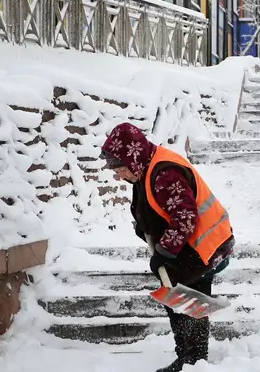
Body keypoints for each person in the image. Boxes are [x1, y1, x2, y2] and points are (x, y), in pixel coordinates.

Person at [99, 122, 235, 372]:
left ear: (132, 158)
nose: (118, 175)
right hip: (190, 244)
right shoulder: (145, 167)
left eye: (119, 169)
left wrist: (164, 252)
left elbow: (185, 217)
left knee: (182, 296)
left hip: (207, 244)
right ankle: (191, 358)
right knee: (178, 296)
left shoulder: (165, 173)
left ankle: (193, 360)